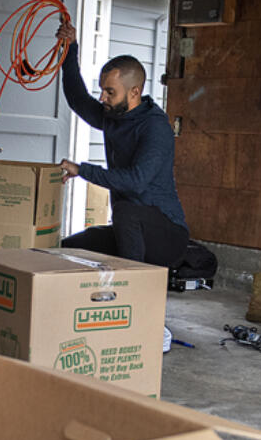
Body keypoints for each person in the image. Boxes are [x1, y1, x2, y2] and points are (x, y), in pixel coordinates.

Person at [55, 21, 189, 268]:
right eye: (102, 91)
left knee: (126, 211)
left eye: (110, 92)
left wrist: (82, 170)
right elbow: (78, 100)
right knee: (67, 247)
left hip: (168, 238)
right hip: (130, 230)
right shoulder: (114, 116)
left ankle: (132, 289)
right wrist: (69, 48)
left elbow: (135, 182)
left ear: (134, 92)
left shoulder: (155, 127)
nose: (102, 98)